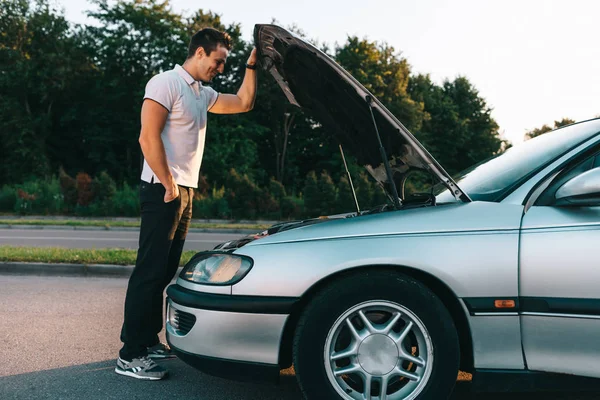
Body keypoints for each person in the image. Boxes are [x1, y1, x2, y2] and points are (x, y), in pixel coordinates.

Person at [115, 27, 258, 380]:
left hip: (184, 190)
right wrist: (167, 184)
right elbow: (147, 136)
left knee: (164, 273)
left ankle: (147, 341)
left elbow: (243, 102)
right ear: (199, 53)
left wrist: (252, 67)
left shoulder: (202, 93)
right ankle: (129, 354)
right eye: (218, 61)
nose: (221, 68)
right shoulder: (165, 83)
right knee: (149, 272)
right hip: (163, 188)